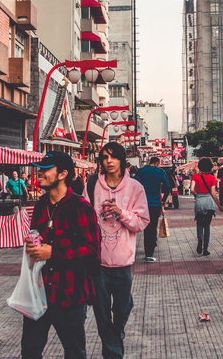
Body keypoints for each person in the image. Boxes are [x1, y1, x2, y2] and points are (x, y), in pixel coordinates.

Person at [22, 151, 100, 359]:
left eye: (46, 170)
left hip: (70, 294)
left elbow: (93, 252)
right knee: (30, 350)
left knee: (74, 352)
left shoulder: (80, 207)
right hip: (39, 292)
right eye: (40, 169)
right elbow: (36, 236)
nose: (40, 174)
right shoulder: (40, 206)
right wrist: (32, 246)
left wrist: (53, 252)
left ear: (63, 174)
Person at [85, 142, 149, 359]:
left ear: (122, 160)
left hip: (123, 264)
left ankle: (116, 333)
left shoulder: (135, 188)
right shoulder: (93, 185)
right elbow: (84, 218)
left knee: (122, 309)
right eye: (104, 157)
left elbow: (141, 222)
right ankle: (113, 353)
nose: (109, 161)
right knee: (102, 314)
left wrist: (121, 212)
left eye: (113, 157)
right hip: (98, 263)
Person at [134, 157, 171, 263]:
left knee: (146, 228)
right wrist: (163, 200)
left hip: (142, 204)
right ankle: (150, 251)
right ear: (157, 163)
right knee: (153, 226)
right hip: (155, 203)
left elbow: (134, 185)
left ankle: (148, 250)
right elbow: (168, 186)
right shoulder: (160, 172)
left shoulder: (141, 171)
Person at [191, 157, 219, 256]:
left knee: (199, 223)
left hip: (199, 201)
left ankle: (200, 240)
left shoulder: (195, 176)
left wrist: (196, 195)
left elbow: (191, 189)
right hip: (209, 202)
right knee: (207, 226)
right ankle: (205, 248)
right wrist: (219, 204)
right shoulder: (212, 178)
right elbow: (213, 193)